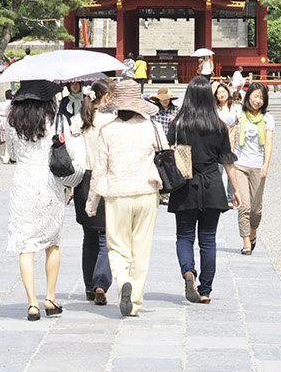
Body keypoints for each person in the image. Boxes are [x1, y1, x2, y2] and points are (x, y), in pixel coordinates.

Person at [85, 79, 163, 317]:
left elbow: (99, 169)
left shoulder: (107, 131)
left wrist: (92, 203)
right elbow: (165, 155)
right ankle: (135, 299)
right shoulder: (152, 128)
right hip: (147, 192)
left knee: (117, 246)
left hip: (117, 193)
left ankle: (122, 281)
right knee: (142, 247)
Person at [167, 77, 241, 304]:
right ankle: (206, 289)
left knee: (185, 235)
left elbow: (167, 151)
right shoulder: (218, 126)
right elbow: (228, 161)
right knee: (208, 239)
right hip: (211, 184)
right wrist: (236, 189)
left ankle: (188, 271)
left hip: (185, 184)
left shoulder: (178, 124)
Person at [6, 80, 67, 321]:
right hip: (49, 183)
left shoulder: (13, 124)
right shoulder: (54, 121)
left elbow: (11, 153)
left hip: (23, 184)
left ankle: (32, 303)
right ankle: (50, 298)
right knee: (52, 243)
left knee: (26, 246)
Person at [75, 80, 114, 305]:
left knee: (88, 237)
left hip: (83, 180)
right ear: (106, 97)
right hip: (104, 179)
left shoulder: (78, 121)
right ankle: (100, 283)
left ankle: (89, 286)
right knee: (105, 238)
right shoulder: (110, 121)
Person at [230, 82, 273, 255]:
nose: (258, 100)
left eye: (261, 97)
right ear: (248, 97)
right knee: (244, 206)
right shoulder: (239, 115)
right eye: (255, 96)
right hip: (240, 164)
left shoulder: (268, 119)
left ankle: (253, 231)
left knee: (256, 209)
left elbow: (269, 144)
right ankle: (246, 240)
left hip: (257, 166)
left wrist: (265, 165)